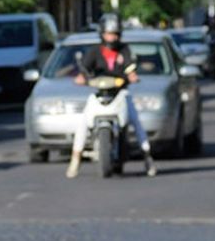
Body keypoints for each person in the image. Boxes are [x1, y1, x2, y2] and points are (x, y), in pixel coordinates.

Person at [66, 14, 156, 179]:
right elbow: (84, 69)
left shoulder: (124, 50)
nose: (111, 37)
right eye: (108, 33)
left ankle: (147, 157)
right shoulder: (94, 51)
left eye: (114, 34)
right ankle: (75, 158)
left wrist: (132, 76)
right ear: (102, 34)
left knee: (136, 122)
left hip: (120, 93)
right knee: (83, 123)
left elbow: (130, 67)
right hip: (99, 94)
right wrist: (81, 78)